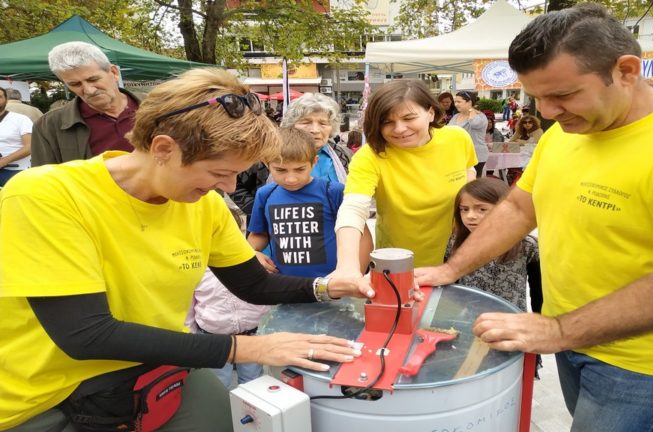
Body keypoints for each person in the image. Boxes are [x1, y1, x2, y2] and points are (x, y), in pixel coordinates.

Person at [415, 4, 653, 431]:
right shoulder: (568, 131)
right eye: (537, 96)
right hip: (575, 338)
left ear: (626, 70)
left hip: (648, 365)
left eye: (562, 95)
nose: (546, 111)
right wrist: (451, 269)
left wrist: (559, 330)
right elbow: (519, 207)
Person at [0, 68, 373, 431]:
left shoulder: (204, 205)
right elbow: (86, 335)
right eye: (218, 173)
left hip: (156, 362)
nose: (228, 188)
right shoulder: (46, 195)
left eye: (236, 175)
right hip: (45, 395)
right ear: (164, 149)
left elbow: (254, 285)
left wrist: (328, 287)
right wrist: (250, 349)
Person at [333, 79, 477, 276]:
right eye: (387, 122)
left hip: (457, 259)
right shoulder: (370, 156)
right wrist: (347, 267)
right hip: (397, 266)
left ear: (430, 113)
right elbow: (353, 208)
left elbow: (469, 171)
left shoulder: (458, 138)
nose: (399, 129)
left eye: (409, 118)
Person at [247, 127, 372, 276]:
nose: (291, 178)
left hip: (333, 284)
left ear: (314, 162)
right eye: (281, 170)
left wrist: (356, 274)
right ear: (267, 164)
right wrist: (251, 253)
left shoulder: (333, 192)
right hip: (284, 285)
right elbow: (259, 233)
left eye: (300, 169)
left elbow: (362, 236)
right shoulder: (265, 194)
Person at [187, 198, 269, 388]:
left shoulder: (253, 261)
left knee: (253, 383)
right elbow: (189, 306)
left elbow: (266, 293)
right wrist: (191, 337)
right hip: (213, 339)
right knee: (218, 385)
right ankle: (223, 415)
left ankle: (248, 415)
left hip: (251, 336)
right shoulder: (195, 267)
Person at [232, 93, 352, 221]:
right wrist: (259, 211)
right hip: (275, 232)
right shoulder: (270, 151)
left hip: (333, 234)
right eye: (306, 122)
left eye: (323, 123)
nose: (315, 130)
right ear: (291, 124)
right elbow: (233, 182)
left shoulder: (342, 155)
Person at [31, 41, 139, 166]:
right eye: (75, 84)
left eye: (93, 79)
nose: (89, 90)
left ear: (114, 73)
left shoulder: (159, 107)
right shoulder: (49, 125)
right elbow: (45, 178)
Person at [448, 177, 538, 312]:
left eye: (481, 209)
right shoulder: (456, 242)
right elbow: (451, 285)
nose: (470, 216)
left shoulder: (527, 245)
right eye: (464, 209)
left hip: (510, 321)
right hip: (468, 320)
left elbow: (538, 290)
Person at [450, 91, 488, 176]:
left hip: (476, 155)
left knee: (473, 185)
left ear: (469, 102)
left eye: (459, 102)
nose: (456, 104)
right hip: (459, 154)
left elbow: (475, 124)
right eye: (455, 102)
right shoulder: (456, 116)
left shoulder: (480, 116)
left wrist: (471, 110)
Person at [0, 87, 33, 187]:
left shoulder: (20, 119)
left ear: (6, 99)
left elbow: (30, 146)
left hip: (15, 172)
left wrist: (3, 161)